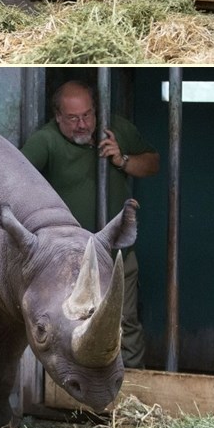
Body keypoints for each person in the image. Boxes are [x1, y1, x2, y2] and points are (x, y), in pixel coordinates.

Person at [29, 71, 159, 364]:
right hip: (68, 259)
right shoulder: (45, 141)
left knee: (124, 322)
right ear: (57, 116)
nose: (83, 124)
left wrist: (123, 159)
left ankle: (129, 391)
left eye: (88, 115)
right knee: (68, 324)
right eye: (73, 118)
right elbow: (17, 179)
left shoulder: (115, 129)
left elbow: (153, 163)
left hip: (117, 254)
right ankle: (78, 386)